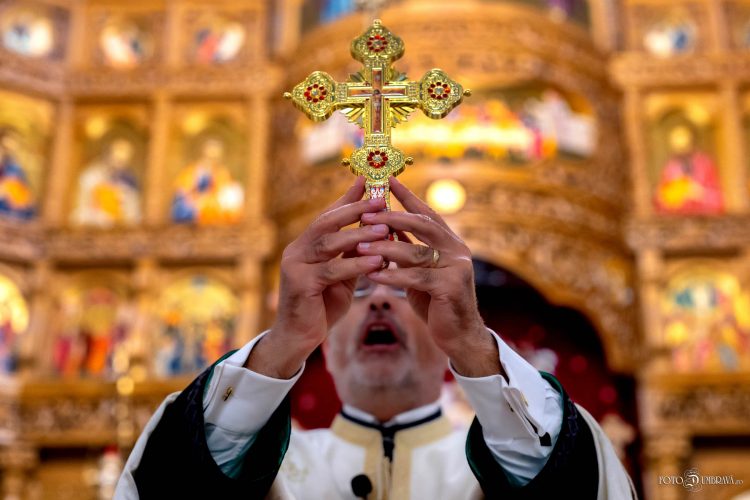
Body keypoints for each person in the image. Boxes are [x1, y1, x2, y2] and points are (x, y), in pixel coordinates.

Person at [115, 176, 635, 499]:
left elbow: (576, 483)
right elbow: (171, 483)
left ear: (442, 338)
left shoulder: (507, 458)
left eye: (404, 289)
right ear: (325, 344)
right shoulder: (261, 461)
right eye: (359, 290)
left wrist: (474, 345)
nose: (381, 301)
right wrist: (282, 344)